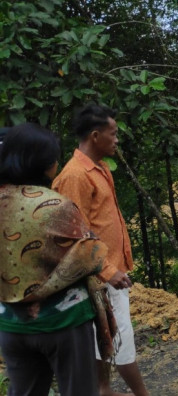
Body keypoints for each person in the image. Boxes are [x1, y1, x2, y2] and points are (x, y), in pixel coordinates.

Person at [0, 124, 115, 396]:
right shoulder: (55, 206)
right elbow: (92, 253)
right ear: (44, 163)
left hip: (10, 323)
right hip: (63, 321)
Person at [52, 104, 149, 396]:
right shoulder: (74, 177)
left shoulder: (100, 168)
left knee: (102, 336)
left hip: (108, 269)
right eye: (113, 133)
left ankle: (103, 388)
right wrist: (107, 270)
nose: (117, 139)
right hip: (99, 274)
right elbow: (72, 235)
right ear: (95, 136)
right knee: (122, 338)